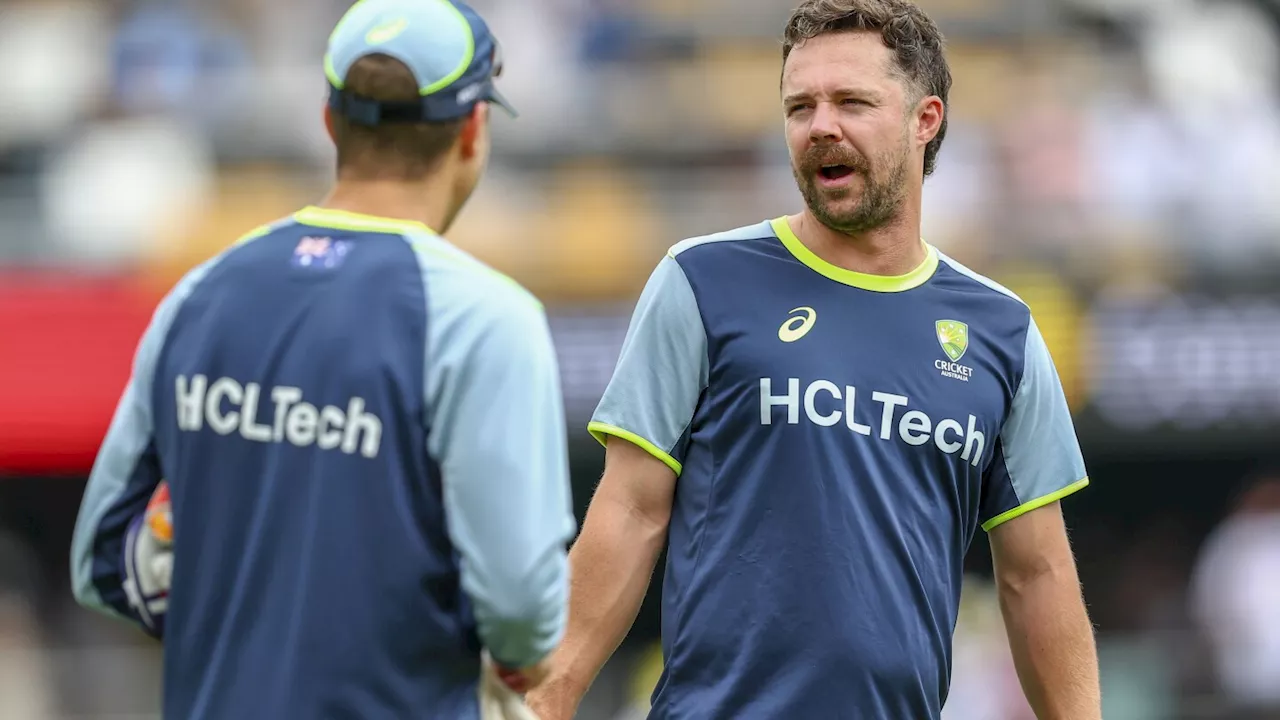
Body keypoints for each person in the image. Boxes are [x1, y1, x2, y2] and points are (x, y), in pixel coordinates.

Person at [525, 1, 1101, 718]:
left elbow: (1036, 574)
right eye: (800, 106)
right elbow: (631, 511)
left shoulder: (1002, 331)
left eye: (852, 102)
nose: (820, 125)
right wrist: (545, 701)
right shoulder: (703, 280)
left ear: (926, 119)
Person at [69, 1, 575, 718]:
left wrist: (254, 611)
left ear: (330, 121)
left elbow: (101, 560)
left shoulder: (200, 291)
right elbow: (522, 610)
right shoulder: (488, 317)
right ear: (472, 129)